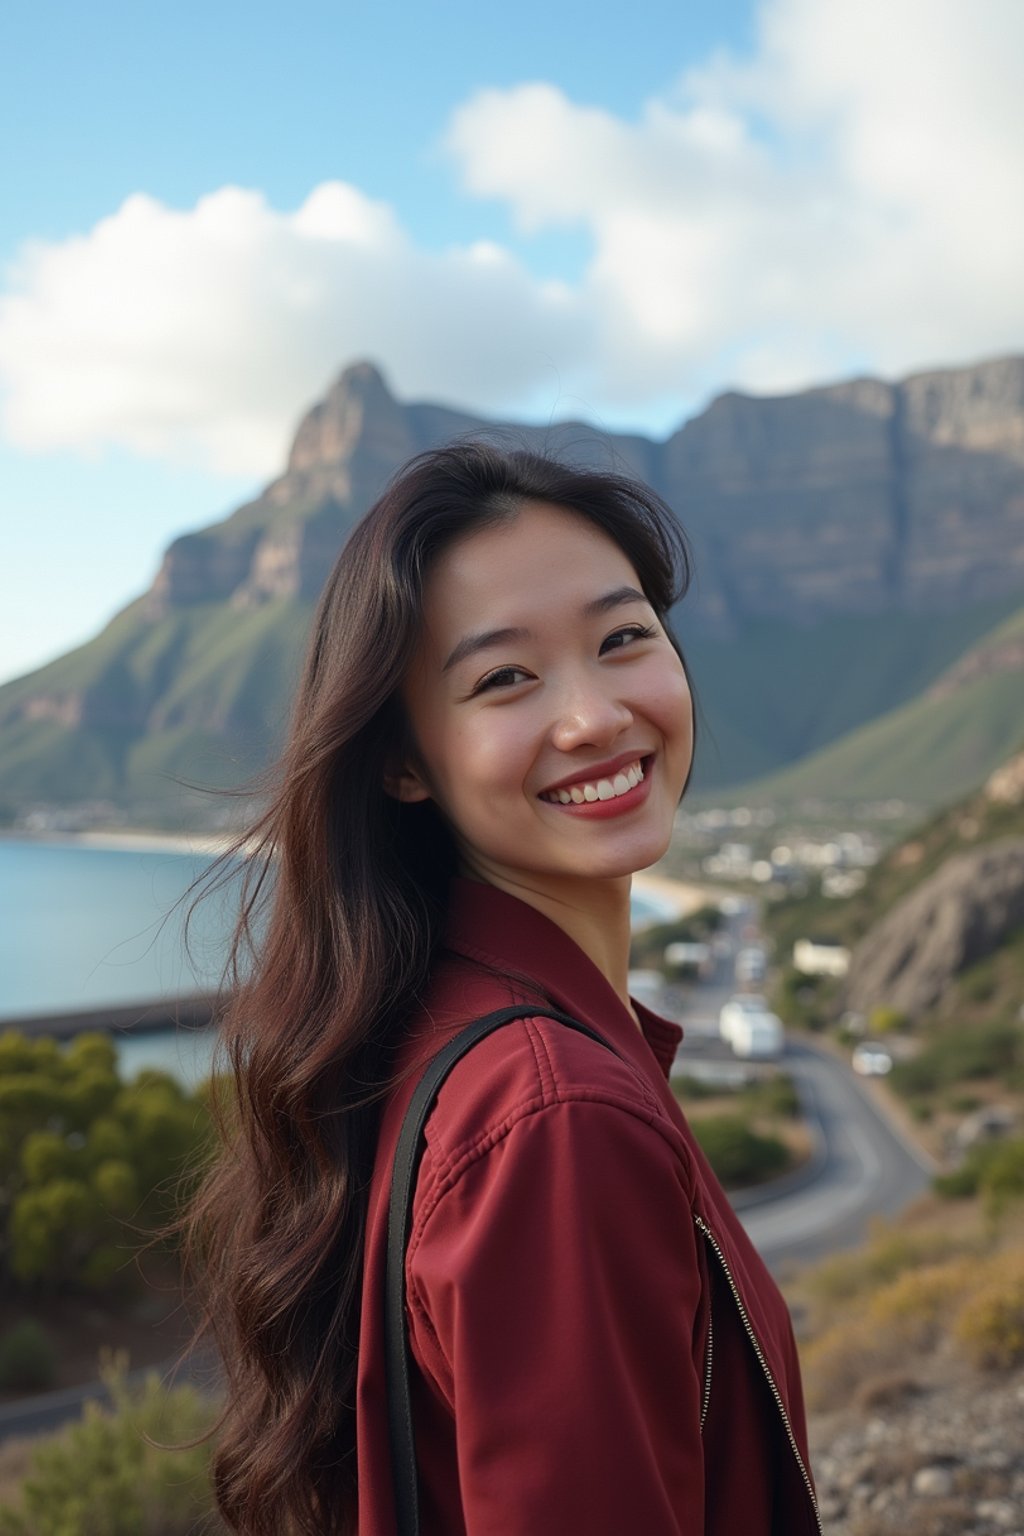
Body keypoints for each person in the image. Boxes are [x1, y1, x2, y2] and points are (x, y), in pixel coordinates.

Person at [185, 441, 821, 1536]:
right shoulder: (553, 1116)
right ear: (403, 761)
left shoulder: (429, 1033)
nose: (593, 717)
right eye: (504, 679)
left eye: (623, 639)